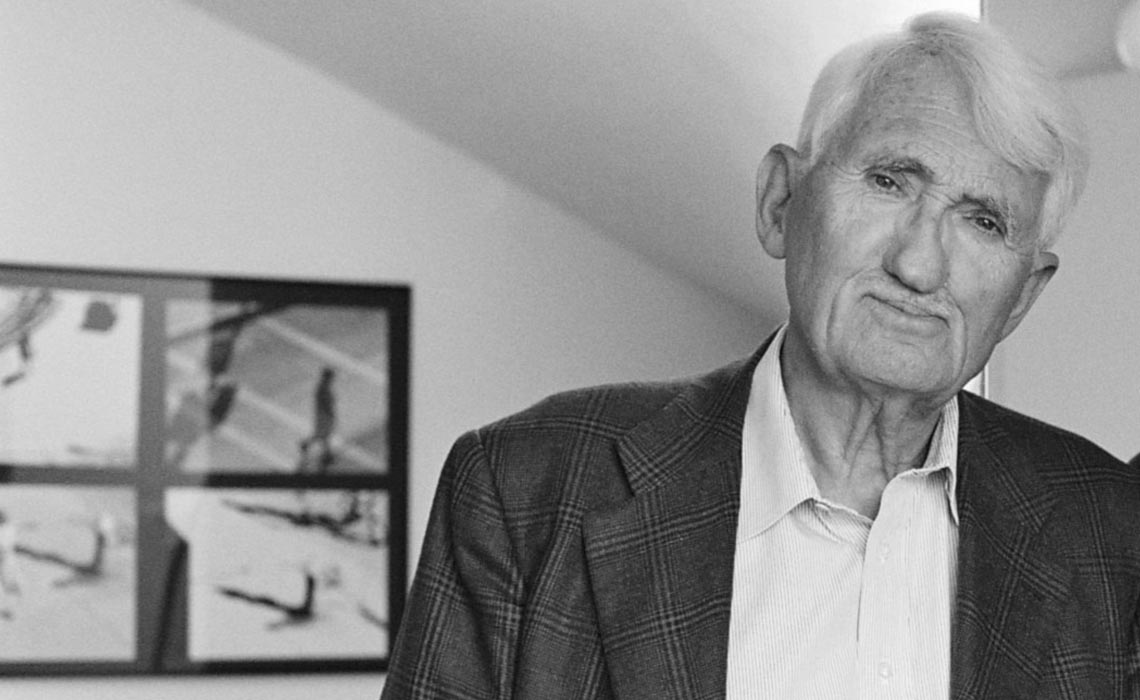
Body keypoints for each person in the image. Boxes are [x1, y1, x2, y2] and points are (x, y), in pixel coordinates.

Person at [381, 12, 1140, 699]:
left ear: (1022, 297)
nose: (918, 264)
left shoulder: (1111, 529)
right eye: (888, 181)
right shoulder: (526, 488)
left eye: (983, 221)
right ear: (781, 202)